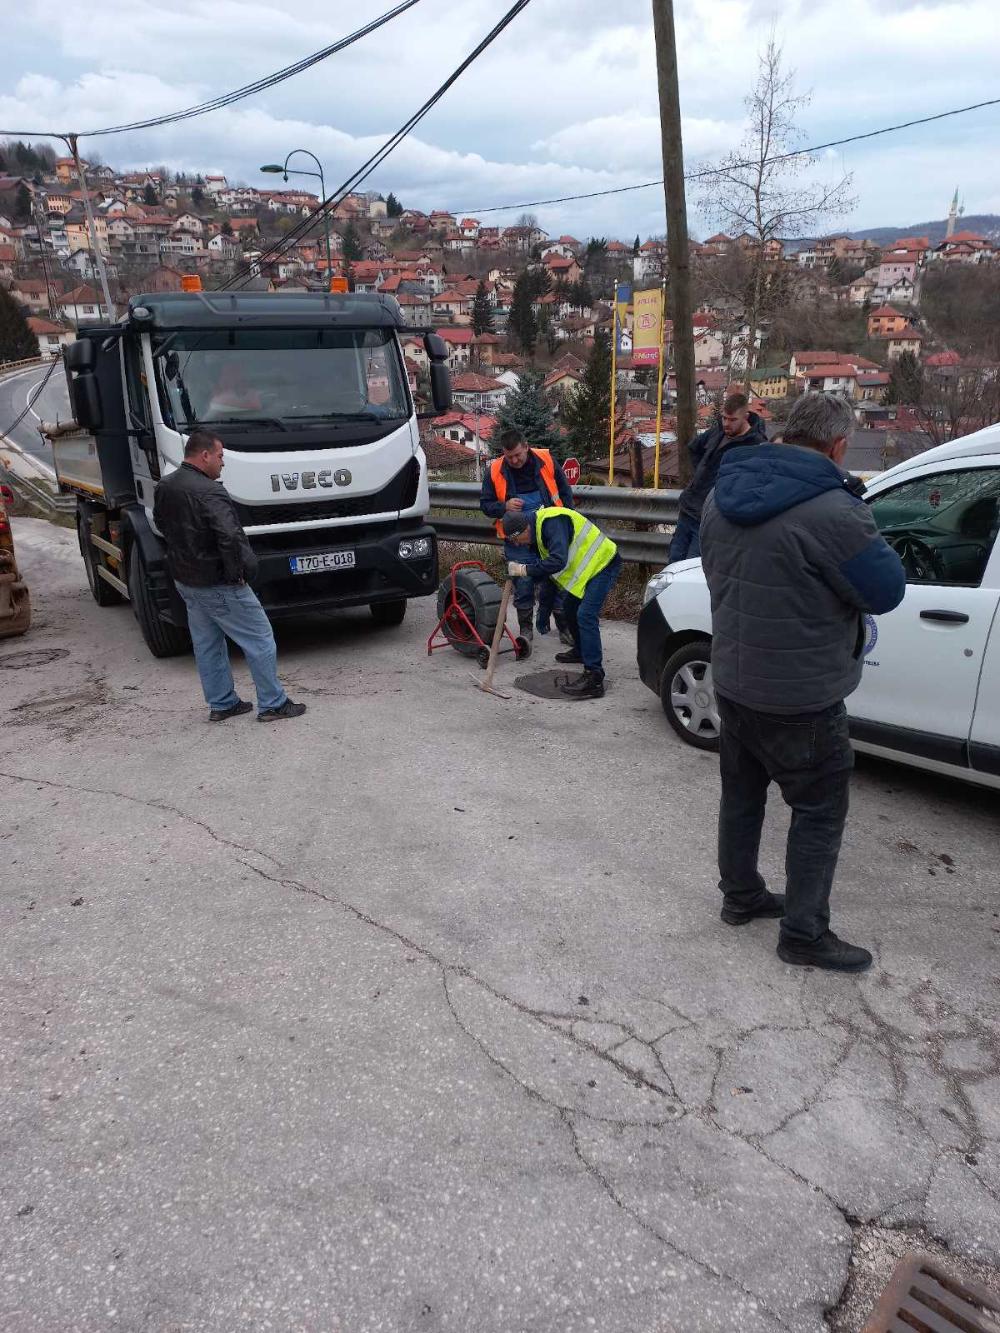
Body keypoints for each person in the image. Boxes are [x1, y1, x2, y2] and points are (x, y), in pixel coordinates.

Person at [699, 392, 906, 973]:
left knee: (741, 797)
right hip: (803, 698)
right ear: (839, 446)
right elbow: (886, 592)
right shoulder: (835, 512)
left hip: (735, 682)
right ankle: (804, 934)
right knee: (818, 810)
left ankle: (740, 899)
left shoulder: (720, 496)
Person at [152, 431, 306, 723]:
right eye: (221, 456)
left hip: (186, 580)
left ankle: (222, 703)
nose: (223, 463)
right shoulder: (210, 491)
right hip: (218, 581)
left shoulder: (166, 485)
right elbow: (230, 537)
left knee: (207, 643)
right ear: (205, 455)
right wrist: (240, 574)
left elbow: (162, 525)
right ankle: (273, 703)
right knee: (260, 637)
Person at [503, 506, 621, 699]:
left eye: (516, 540)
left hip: (604, 563)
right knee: (569, 608)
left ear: (524, 530)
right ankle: (582, 651)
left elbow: (557, 561)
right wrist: (542, 616)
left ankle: (594, 677)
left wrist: (524, 569)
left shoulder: (552, 522)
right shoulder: (538, 534)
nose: (517, 545)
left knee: (585, 615)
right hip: (589, 571)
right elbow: (549, 578)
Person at [480, 428, 573, 642]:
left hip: (549, 533)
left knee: (557, 580)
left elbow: (565, 492)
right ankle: (526, 631)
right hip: (517, 539)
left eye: (518, 455)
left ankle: (564, 628)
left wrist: (567, 522)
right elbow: (485, 505)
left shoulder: (546, 459)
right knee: (523, 583)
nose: (514, 460)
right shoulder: (495, 470)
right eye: (509, 456)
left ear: (526, 447)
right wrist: (504, 506)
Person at [669, 391, 767, 562]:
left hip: (710, 517)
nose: (726, 423)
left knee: (692, 568)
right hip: (689, 508)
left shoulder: (755, 445)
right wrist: (701, 475)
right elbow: (694, 448)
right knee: (673, 562)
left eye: (732, 420)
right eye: (724, 418)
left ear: (745, 416)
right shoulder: (719, 432)